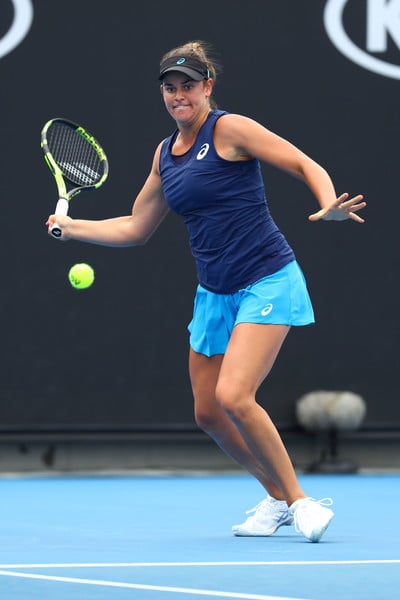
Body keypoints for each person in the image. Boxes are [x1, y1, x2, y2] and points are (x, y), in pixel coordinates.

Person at [46, 41, 366, 542]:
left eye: (188, 86)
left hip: (267, 277)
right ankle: (277, 498)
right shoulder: (163, 156)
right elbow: (135, 227)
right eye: (170, 88)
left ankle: (302, 502)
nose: (179, 96)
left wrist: (328, 204)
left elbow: (305, 163)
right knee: (209, 413)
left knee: (236, 395)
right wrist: (73, 227)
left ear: (207, 87)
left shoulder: (230, 129)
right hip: (215, 292)